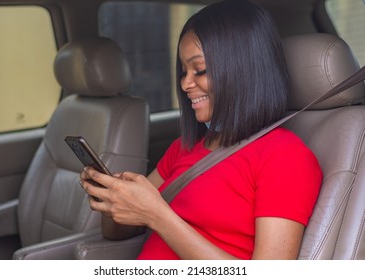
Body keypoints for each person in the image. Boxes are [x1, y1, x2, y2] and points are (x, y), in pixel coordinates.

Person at [80, 0, 322, 260]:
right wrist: (114, 202)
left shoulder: (285, 157)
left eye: (200, 70)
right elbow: (119, 232)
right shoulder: (184, 147)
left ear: (243, 69)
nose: (185, 84)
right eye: (184, 72)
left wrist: (157, 215)